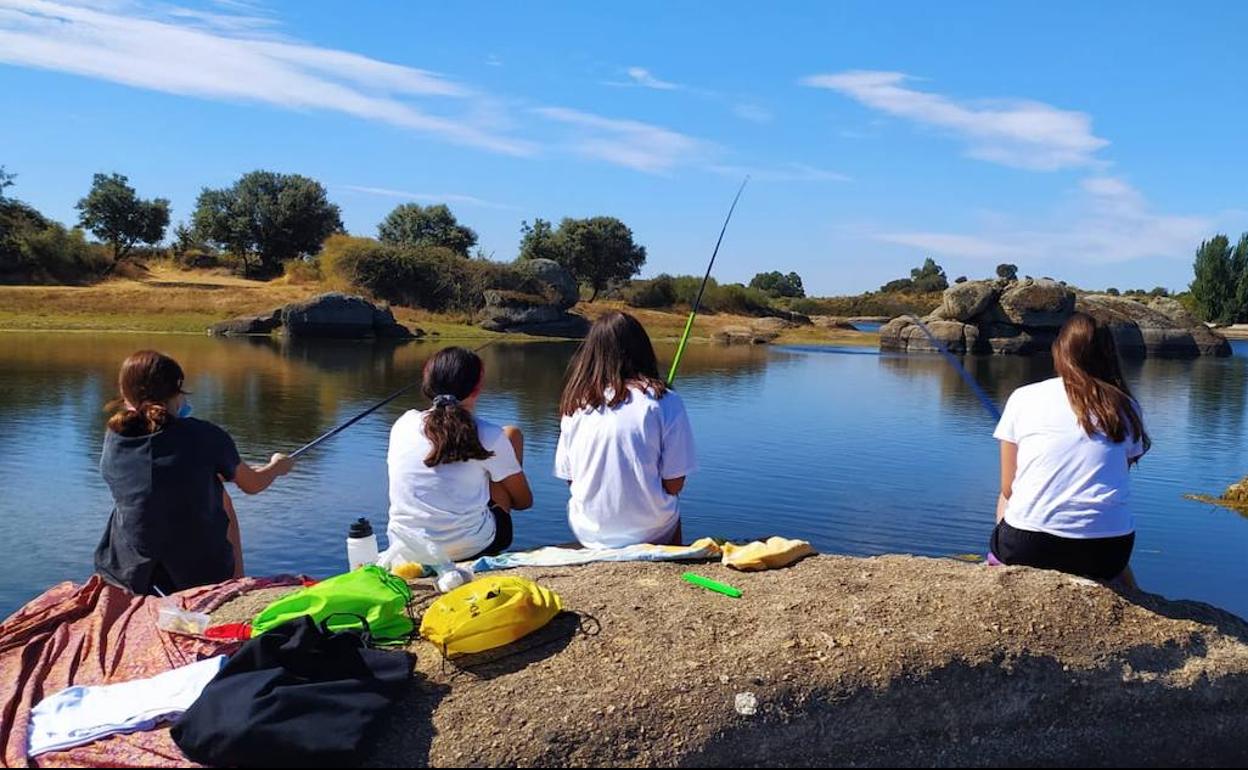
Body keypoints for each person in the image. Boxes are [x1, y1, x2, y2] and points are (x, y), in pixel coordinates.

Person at [95, 350, 294, 596]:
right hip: (195, 571)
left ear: (125, 394)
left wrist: (197, 477)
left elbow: (152, 477)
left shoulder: (115, 437)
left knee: (197, 492)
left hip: (125, 570)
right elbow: (252, 484)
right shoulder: (203, 435)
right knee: (222, 498)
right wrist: (277, 466)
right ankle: (235, 587)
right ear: (177, 392)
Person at [991, 312, 1150, 582]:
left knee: (1006, 496)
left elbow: (1009, 488)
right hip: (1108, 552)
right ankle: (1126, 593)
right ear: (1109, 354)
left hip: (1028, 547)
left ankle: (1000, 570)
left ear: (1060, 352)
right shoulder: (1125, 406)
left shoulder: (1023, 397)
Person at [556, 311, 697, 549]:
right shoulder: (667, 401)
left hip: (588, 530)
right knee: (671, 511)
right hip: (652, 530)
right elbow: (674, 484)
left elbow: (571, 479)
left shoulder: (576, 404)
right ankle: (674, 564)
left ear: (592, 354)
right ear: (643, 349)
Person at [383, 346, 532, 563]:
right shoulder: (489, 435)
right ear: (477, 388)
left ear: (427, 382)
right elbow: (523, 501)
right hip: (471, 547)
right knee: (511, 435)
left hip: (406, 550)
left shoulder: (402, 424)